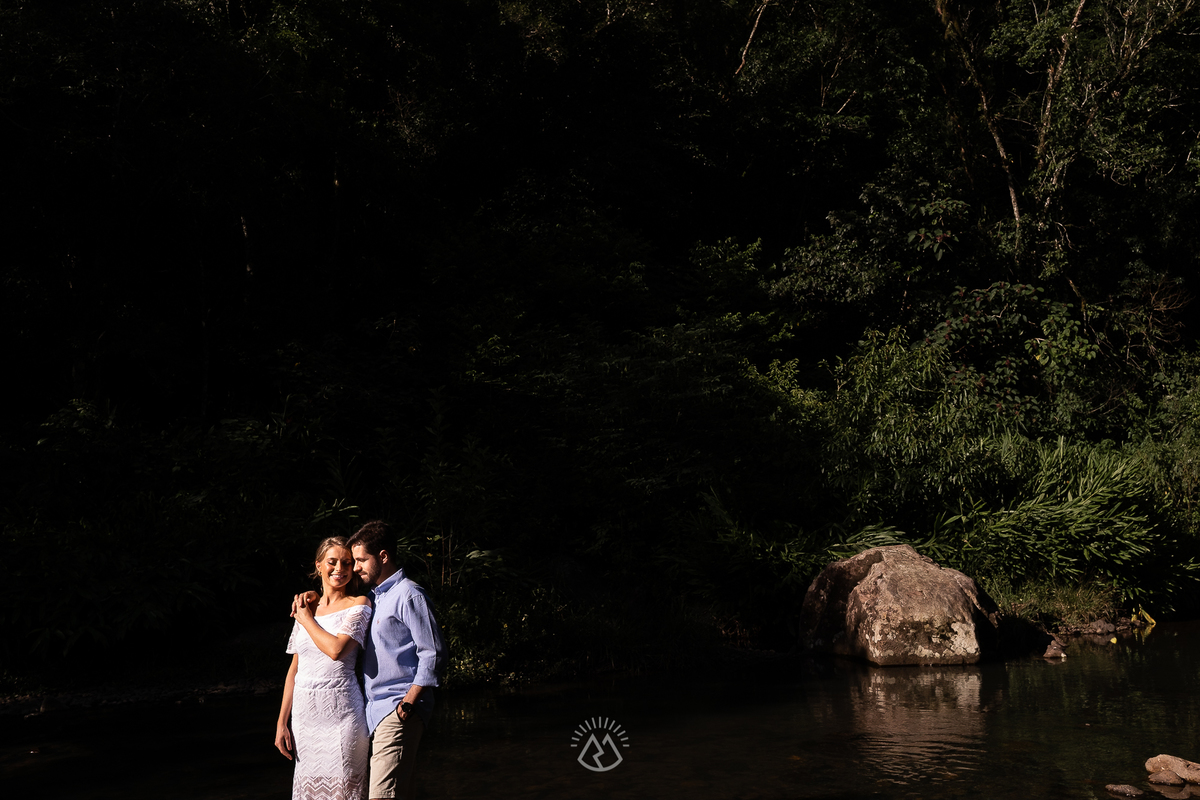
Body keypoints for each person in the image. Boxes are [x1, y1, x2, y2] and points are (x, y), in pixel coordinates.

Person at [346, 520, 447, 800]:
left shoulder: (409, 595)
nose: (355, 567)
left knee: (381, 795)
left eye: (361, 560)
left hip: (398, 708)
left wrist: (408, 703)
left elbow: (433, 652)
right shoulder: (375, 598)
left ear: (383, 557)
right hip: (376, 712)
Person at [275, 537, 374, 800]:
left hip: (342, 715)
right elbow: (295, 669)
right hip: (306, 718)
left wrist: (306, 619)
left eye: (347, 563)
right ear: (318, 565)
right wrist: (282, 722)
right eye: (332, 562)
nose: (339, 569)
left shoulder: (359, 603)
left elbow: (336, 650)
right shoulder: (307, 607)